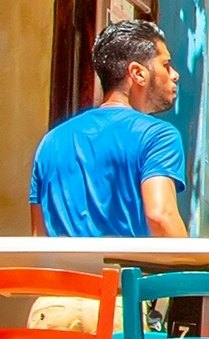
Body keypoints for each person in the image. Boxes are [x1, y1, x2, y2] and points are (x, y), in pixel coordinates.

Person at [29, 19, 191, 239]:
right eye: (166, 65)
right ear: (138, 73)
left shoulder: (51, 142)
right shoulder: (158, 136)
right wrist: (194, 269)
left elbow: (39, 236)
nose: (174, 74)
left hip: (65, 273)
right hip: (124, 272)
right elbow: (161, 216)